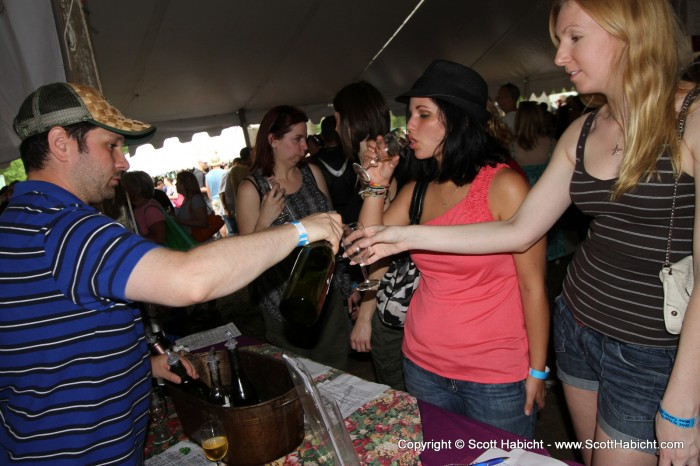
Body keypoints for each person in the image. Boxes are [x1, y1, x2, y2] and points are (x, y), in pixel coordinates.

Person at [354, 1, 700, 464]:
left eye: (574, 38)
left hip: (649, 342)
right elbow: (518, 231)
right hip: (578, 326)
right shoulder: (582, 129)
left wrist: (683, 398)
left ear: (632, 33)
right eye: (559, 41)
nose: (560, 57)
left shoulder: (692, 118)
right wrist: (405, 236)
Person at [0, 82, 342, 464]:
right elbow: (190, 280)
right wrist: (301, 230)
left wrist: (142, 365)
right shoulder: (64, 227)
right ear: (61, 143)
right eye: (110, 146)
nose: (123, 162)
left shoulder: (20, 223)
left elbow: (49, 344)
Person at [356, 60, 548, 438]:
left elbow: (534, 287)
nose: (409, 125)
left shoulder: (504, 187)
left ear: (459, 120)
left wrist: (538, 371)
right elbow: (365, 247)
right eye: (409, 114)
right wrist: (377, 184)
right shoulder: (418, 189)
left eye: (423, 114)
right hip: (423, 364)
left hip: (495, 375)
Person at [235, 105, 350, 370]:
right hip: (283, 302)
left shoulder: (312, 173)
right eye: (297, 139)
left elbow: (333, 230)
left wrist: (346, 285)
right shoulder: (252, 189)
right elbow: (244, 259)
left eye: (305, 138)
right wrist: (265, 219)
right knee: (302, 377)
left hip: (326, 292)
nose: (305, 146)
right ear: (273, 141)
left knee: (338, 371)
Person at [333, 81, 408, 390]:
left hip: (390, 299)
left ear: (350, 120)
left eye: (337, 118)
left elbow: (381, 248)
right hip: (380, 291)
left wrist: (366, 312)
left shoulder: (378, 165)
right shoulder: (368, 162)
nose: (335, 127)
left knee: (396, 389)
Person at [308, 115, 363, 225]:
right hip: (358, 215)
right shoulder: (355, 157)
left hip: (331, 221)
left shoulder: (311, 163)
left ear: (321, 136)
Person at [121, 170, 168, 244]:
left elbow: (160, 238)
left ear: (137, 189)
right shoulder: (139, 208)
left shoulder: (150, 209)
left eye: (126, 188)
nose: (123, 191)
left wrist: (132, 239)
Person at [220, 146, 252, 235]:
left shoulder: (242, 170)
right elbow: (228, 192)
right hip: (240, 209)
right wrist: (226, 209)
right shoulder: (238, 171)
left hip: (239, 209)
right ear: (250, 156)